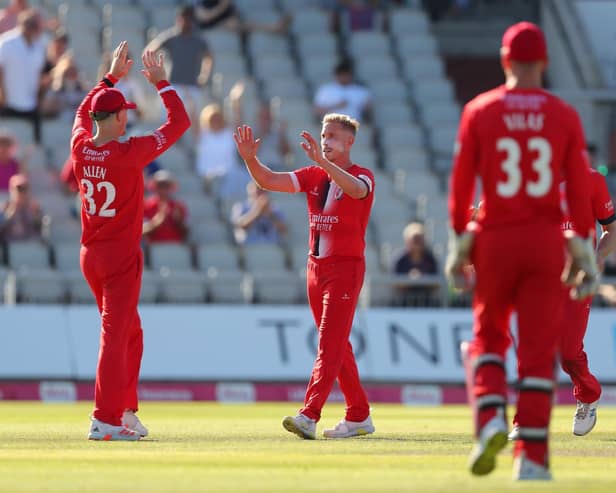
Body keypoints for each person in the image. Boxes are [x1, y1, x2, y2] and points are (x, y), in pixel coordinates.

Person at [446, 22, 598, 480]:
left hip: (495, 236)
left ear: (504, 60)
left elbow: (460, 185)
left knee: (489, 337)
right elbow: (580, 191)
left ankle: (490, 416)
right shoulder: (563, 114)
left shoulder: (481, 109)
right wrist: (582, 250)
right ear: (544, 62)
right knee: (538, 352)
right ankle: (532, 459)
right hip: (547, 242)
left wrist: (460, 237)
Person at [71, 41, 190, 441]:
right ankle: (105, 419)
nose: (128, 120)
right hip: (120, 256)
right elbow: (178, 123)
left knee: (130, 333)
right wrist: (162, 83)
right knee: (115, 334)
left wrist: (110, 77)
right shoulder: (130, 152)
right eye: (125, 113)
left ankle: (125, 409)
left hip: (91, 253)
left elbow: (81, 112)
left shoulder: (81, 147)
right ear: (119, 116)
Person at [234, 113, 376, 440]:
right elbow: (268, 181)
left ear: (350, 142)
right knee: (337, 345)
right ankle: (359, 415)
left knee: (328, 344)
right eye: (324, 135)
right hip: (315, 269)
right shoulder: (315, 175)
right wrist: (250, 159)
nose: (325, 142)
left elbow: (356, 191)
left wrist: (323, 164)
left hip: (345, 268)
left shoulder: (362, 175)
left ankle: (309, 415)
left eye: (333, 137)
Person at [508, 166, 616, 440]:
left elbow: (610, 230)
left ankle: (589, 395)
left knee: (568, 351)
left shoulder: (592, 179)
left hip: (576, 279)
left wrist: (598, 258)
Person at [145, 5, 212, 130]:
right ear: (178, 19)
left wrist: (204, 76)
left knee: (194, 124)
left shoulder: (199, 40)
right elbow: (150, 51)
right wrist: (157, 72)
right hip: (172, 86)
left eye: (189, 18)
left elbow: (209, 57)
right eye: (183, 18)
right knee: (166, 122)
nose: (186, 21)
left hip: (192, 87)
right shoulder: (171, 37)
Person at [0, 9, 46, 143]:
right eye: (34, 25)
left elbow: (38, 75)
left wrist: (38, 98)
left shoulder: (39, 46)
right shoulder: (6, 42)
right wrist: (2, 94)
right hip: (7, 103)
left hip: (30, 104)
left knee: (37, 140)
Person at [391, 221, 439, 306]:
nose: (417, 243)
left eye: (419, 239)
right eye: (415, 240)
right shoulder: (400, 260)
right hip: (403, 304)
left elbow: (436, 283)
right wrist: (409, 279)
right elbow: (394, 283)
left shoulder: (431, 259)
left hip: (428, 304)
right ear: (407, 241)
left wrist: (423, 278)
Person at [313, 58, 372, 122]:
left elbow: (368, 109)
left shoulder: (360, 91)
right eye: (342, 75)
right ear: (336, 75)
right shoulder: (325, 90)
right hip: (332, 125)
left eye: (347, 75)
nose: (344, 77)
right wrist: (336, 106)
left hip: (353, 125)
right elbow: (317, 111)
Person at [230, 181, 287, 245]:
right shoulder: (241, 207)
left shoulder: (275, 209)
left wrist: (270, 214)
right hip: (249, 246)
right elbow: (240, 226)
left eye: (263, 191)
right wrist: (257, 211)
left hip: (271, 246)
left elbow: (283, 230)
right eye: (258, 190)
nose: (261, 193)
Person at [143, 169, 189, 244]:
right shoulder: (146, 205)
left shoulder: (179, 206)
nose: (163, 189)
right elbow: (140, 232)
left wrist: (179, 222)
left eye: (166, 186)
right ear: (154, 186)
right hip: (153, 248)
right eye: (160, 185)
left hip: (175, 247)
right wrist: (156, 223)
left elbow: (186, 233)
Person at [0, 173, 45, 242]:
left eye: (25, 189)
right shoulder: (5, 206)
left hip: (31, 245)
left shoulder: (34, 206)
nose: (22, 192)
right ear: (11, 189)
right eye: (19, 189)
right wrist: (12, 211)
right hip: (10, 246)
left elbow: (41, 228)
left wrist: (35, 215)